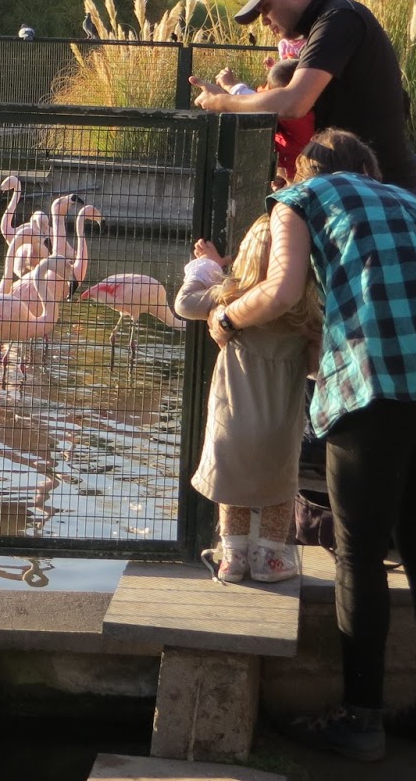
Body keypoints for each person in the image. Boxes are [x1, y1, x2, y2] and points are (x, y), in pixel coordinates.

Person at [210, 128, 416, 761]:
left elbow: (282, 289)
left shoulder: (302, 197)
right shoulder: (414, 204)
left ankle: (359, 719)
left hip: (381, 387)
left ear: (304, 168)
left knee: (359, 552)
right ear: (369, 166)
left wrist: (226, 316)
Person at [189, 0, 416, 194]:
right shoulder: (333, 17)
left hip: (376, 190)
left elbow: (294, 103)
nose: (264, 22)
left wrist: (223, 101)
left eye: (266, 7)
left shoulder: (339, 18)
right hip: (360, 183)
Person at [175, 219, 318, 584]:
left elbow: (184, 303)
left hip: (232, 420)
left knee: (232, 486)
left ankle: (233, 558)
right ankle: (269, 559)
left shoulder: (231, 296)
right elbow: (318, 366)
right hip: (280, 425)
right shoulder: (304, 311)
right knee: (280, 489)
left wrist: (207, 268)